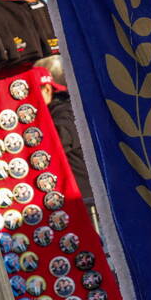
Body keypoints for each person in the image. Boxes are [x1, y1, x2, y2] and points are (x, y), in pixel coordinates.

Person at [35, 57, 93, 204]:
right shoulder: (55, 110)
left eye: (34, 92)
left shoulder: (67, 109)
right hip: (71, 196)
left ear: (47, 89)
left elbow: (60, 138)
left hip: (85, 199)